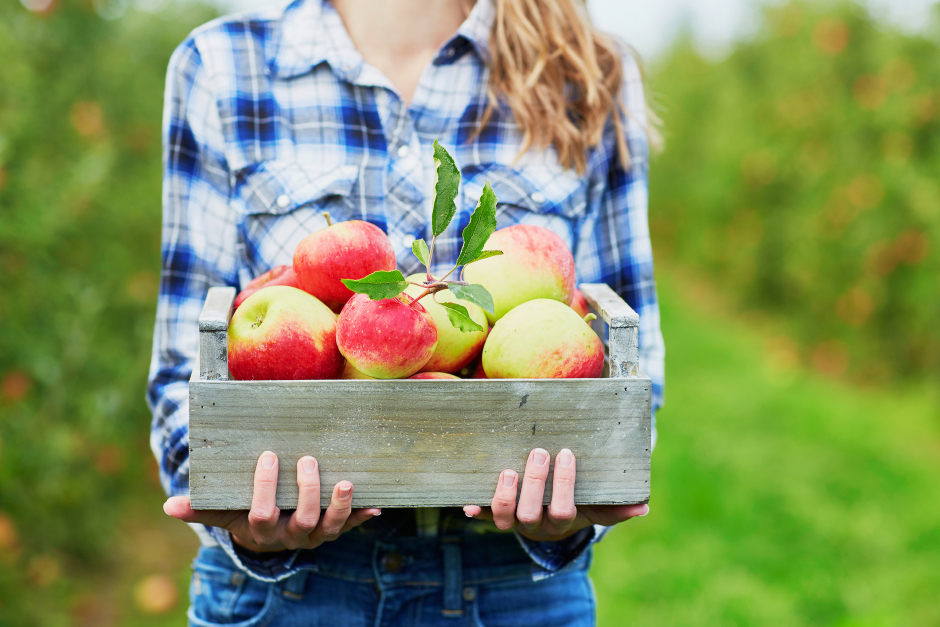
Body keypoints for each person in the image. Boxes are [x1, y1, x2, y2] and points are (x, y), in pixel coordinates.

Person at [148, 0, 665, 624]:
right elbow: (184, 360)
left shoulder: (584, 70)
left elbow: (631, 360)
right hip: (285, 595)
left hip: (511, 586)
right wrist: (235, 508)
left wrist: (576, 507)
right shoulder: (224, 66)